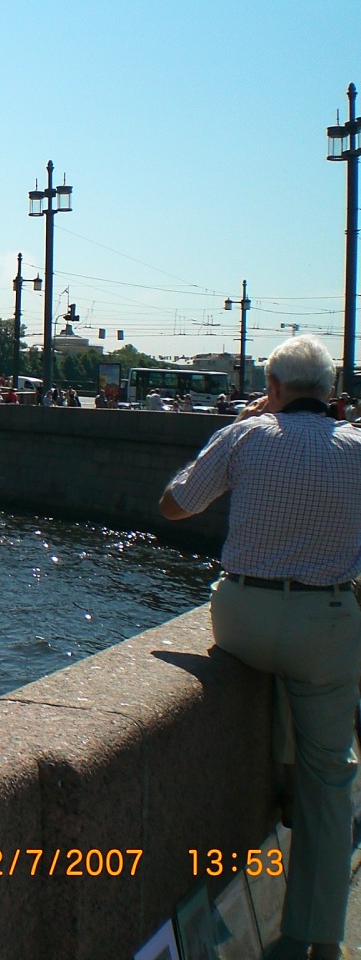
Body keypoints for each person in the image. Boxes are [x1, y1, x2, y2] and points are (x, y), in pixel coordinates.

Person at [159, 335, 361, 960]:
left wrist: (238, 427)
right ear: (330, 392)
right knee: (332, 777)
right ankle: (314, 938)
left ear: (272, 387)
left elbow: (174, 505)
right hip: (325, 621)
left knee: (271, 672)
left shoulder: (244, 435)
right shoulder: (357, 447)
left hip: (243, 618)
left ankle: (284, 764)